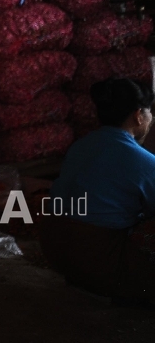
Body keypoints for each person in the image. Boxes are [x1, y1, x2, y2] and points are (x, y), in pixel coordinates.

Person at [40, 77, 155, 301]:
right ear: (139, 115)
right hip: (99, 260)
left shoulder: (80, 146)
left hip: (55, 251)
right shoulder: (142, 161)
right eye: (151, 113)